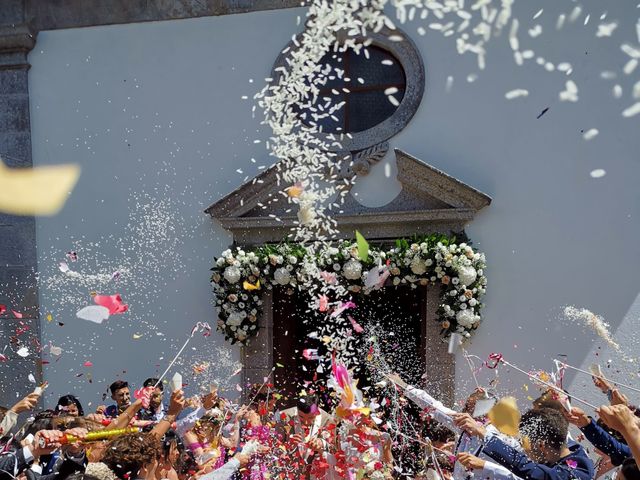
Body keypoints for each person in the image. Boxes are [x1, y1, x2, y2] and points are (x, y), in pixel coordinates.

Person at [456, 407, 594, 480]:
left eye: (524, 443)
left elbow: (523, 465)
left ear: (541, 446)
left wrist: (483, 433)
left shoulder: (572, 475)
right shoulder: (575, 454)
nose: (523, 449)